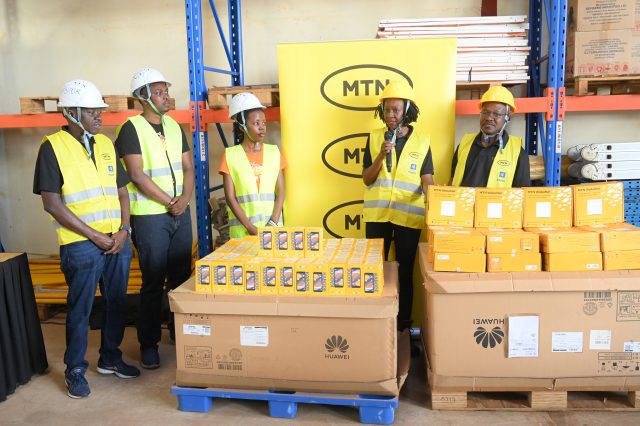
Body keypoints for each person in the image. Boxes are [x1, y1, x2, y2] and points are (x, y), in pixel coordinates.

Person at [33, 80, 140, 399]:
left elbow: (122, 192)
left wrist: (124, 230)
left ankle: (110, 358)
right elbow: (52, 203)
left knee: (117, 303)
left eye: (99, 111)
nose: (99, 116)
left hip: (117, 241)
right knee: (81, 308)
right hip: (81, 245)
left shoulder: (106, 143)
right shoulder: (52, 147)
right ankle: (75, 369)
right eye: (91, 111)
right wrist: (95, 236)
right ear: (70, 112)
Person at [115, 68, 194, 369]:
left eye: (166, 91)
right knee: (153, 281)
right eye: (159, 92)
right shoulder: (131, 129)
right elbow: (136, 174)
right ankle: (148, 344)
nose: (166, 97)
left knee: (181, 278)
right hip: (150, 217)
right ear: (143, 97)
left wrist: (184, 200)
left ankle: (179, 333)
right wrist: (170, 202)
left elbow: (188, 167)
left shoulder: (174, 126)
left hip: (179, 212)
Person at [362, 80, 434, 331]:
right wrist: (381, 155)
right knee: (375, 271)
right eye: (386, 110)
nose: (390, 115)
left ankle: (402, 325)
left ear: (407, 111)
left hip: (408, 219)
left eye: (396, 110)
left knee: (404, 273)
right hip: (377, 218)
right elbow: (367, 179)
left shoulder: (422, 141)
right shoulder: (374, 138)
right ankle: (376, 322)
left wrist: (438, 200)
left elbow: (427, 179)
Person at [218, 92, 286, 238]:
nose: (262, 127)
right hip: (243, 235)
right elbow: (230, 197)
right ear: (241, 127)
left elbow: (281, 191)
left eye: (264, 123)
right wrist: (250, 228)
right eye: (256, 123)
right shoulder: (230, 156)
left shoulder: (274, 153)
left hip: (273, 232)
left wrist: (273, 223)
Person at [450, 85, 530, 187]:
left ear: (507, 117)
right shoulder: (464, 144)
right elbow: (452, 180)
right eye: (485, 112)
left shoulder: (517, 153)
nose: (489, 118)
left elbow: (522, 194)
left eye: (496, 114)